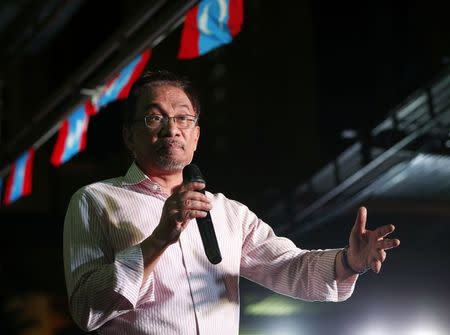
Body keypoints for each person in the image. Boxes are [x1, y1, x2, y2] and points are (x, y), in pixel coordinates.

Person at [63, 70, 400, 335]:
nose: (172, 129)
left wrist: (348, 261)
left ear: (196, 136)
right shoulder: (94, 201)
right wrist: (158, 240)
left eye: (183, 118)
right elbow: (86, 309)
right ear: (128, 136)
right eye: (155, 118)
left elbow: (289, 266)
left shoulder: (228, 213)